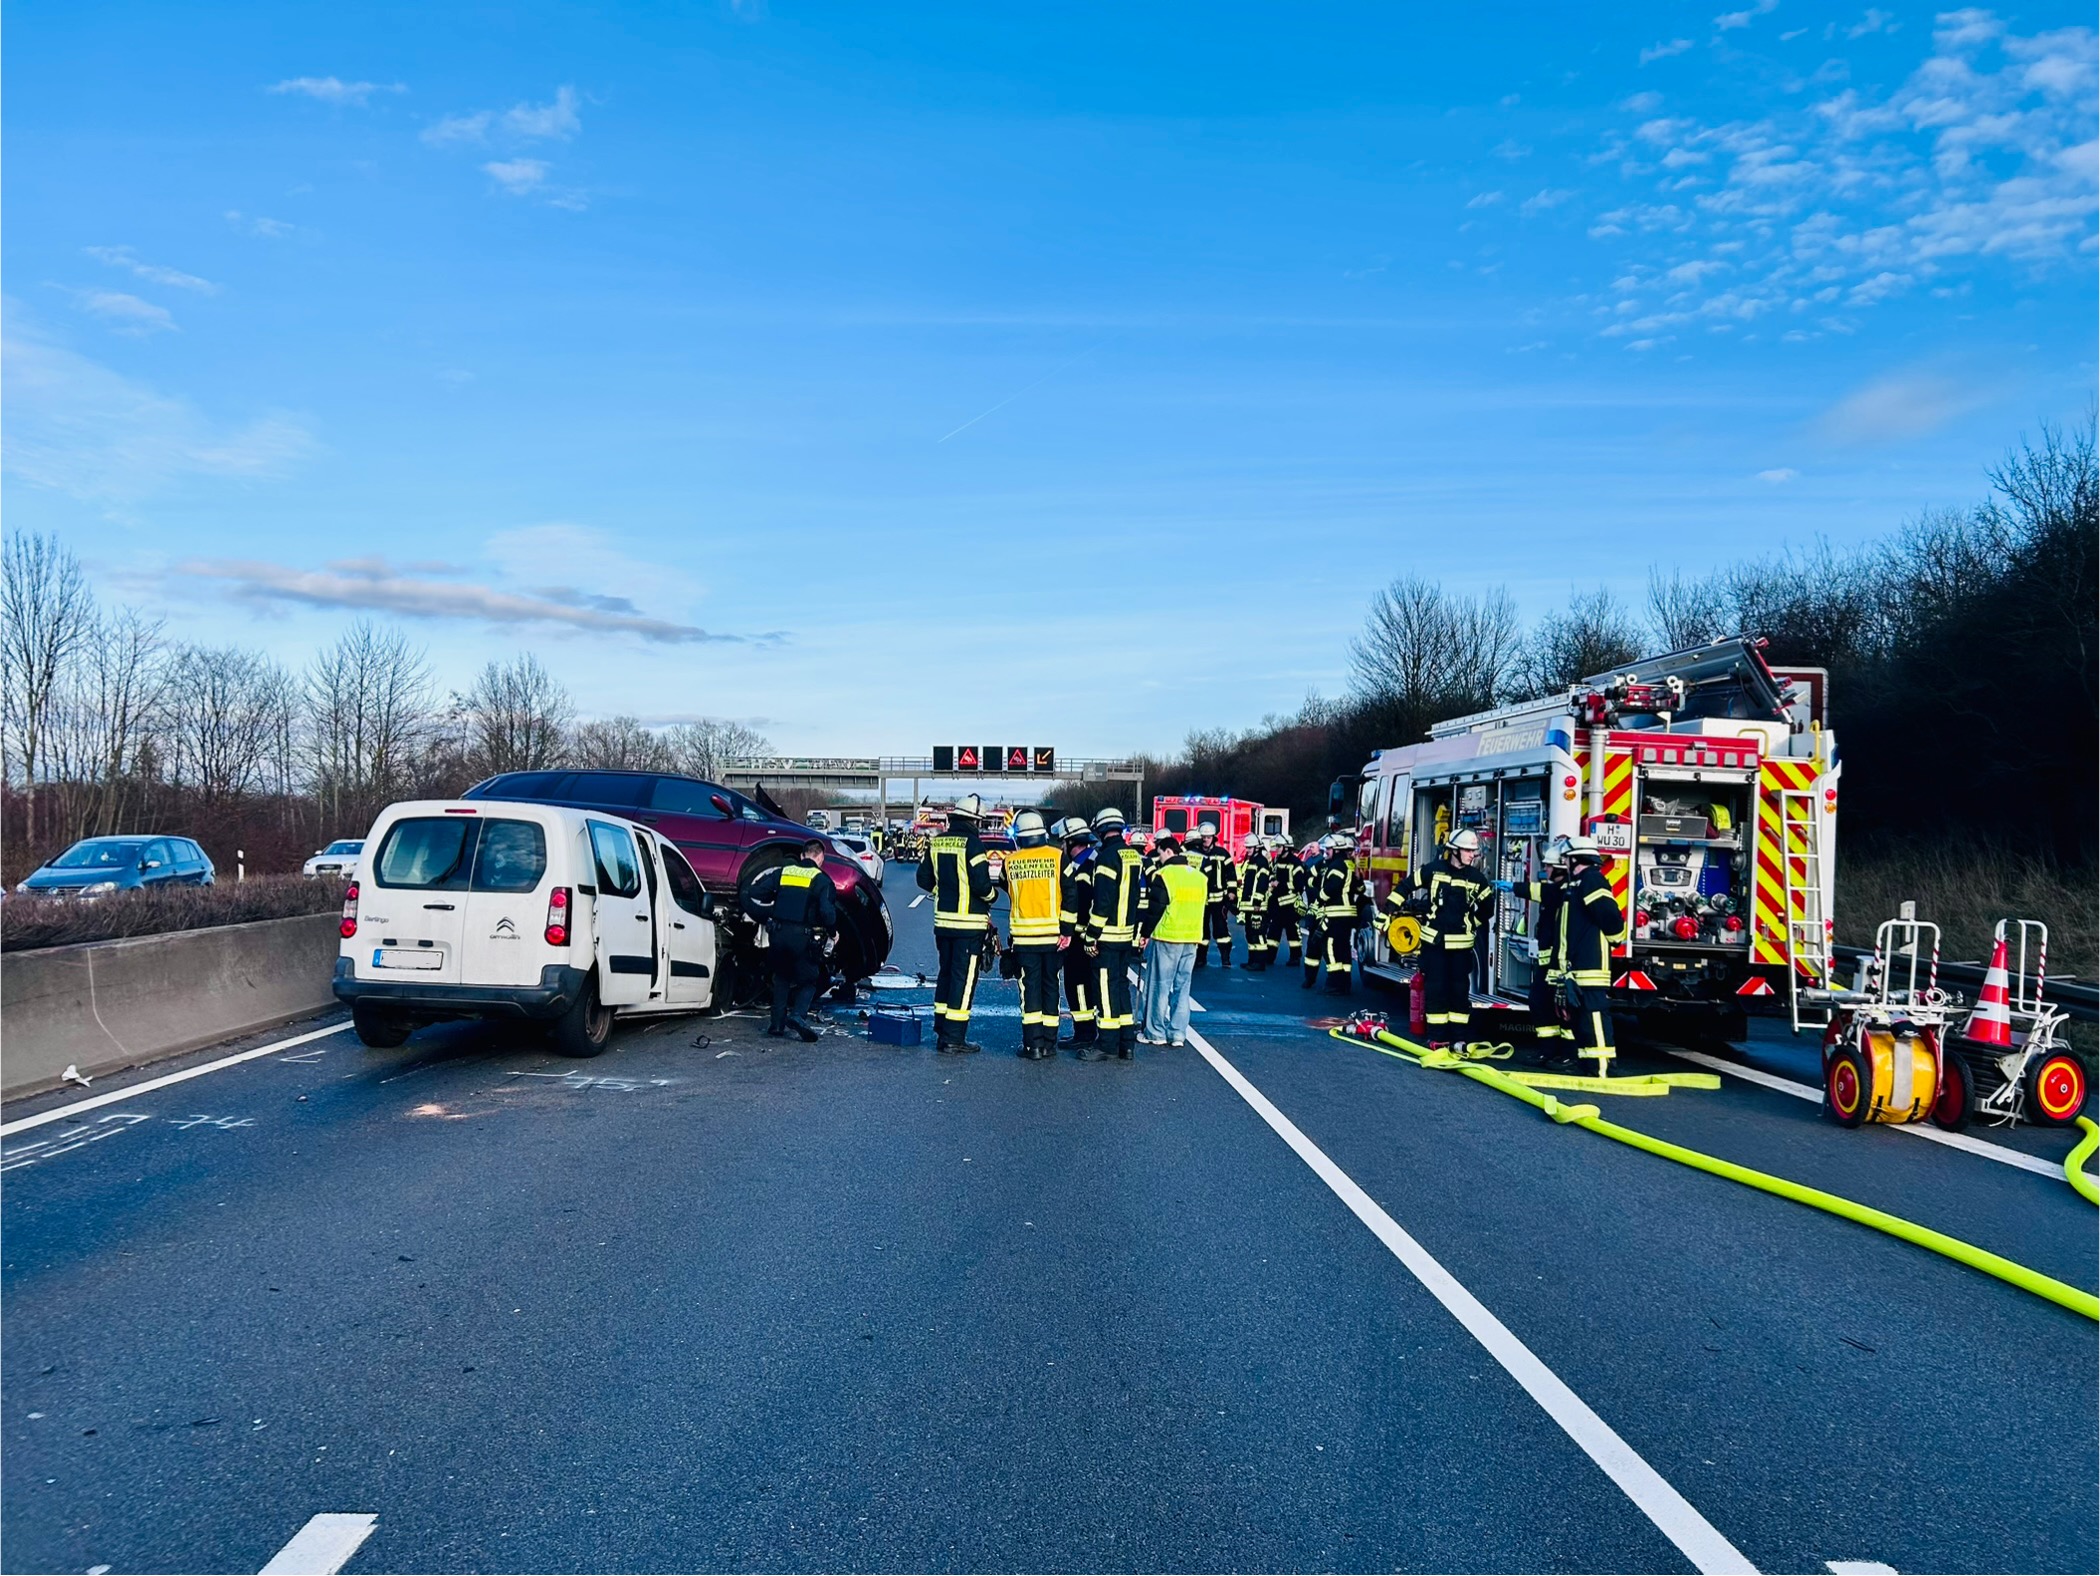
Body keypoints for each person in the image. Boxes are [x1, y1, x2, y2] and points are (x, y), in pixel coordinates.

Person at [915, 792, 996, 1054]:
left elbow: (923, 879)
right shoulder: (974, 845)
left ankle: (942, 1029)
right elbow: (982, 885)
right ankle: (954, 1038)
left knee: (946, 975)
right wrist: (992, 897)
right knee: (963, 980)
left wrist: (943, 890)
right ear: (975, 820)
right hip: (969, 926)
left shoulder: (937, 842)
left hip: (943, 924)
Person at [1401, 827, 1496, 1046]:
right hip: (1434, 946)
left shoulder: (1477, 879)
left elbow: (1488, 909)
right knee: (1436, 990)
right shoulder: (1433, 870)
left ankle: (1459, 1038)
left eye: (1474, 851)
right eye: (1468, 851)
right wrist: (1388, 910)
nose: (1473, 855)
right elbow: (1406, 886)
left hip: (1461, 949)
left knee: (1459, 992)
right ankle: (1437, 1036)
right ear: (1454, 850)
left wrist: (1470, 923)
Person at [741, 837, 837, 1042]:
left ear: (802, 855)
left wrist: (773, 903)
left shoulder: (783, 872)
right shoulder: (822, 880)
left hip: (777, 934)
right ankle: (798, 1016)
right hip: (802, 937)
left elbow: (756, 891)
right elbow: (827, 913)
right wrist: (832, 932)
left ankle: (776, 1025)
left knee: (782, 977)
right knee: (809, 980)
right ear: (821, 858)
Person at [1001, 811, 1067, 1060]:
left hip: (1024, 938)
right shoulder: (1058, 857)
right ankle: (1050, 1043)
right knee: (1051, 987)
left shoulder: (1010, 861)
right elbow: (1070, 894)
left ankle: (1034, 1046)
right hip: (1053, 937)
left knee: (1029, 991)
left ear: (1019, 836)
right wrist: (1067, 931)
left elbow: (1004, 884)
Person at [1500, 837, 1574, 1061]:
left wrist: (1514, 887)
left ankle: (1566, 1055)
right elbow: (1540, 891)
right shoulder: (1559, 889)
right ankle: (1550, 1051)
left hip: (1558, 963)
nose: (1545, 870)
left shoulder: (1565, 891)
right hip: (1548, 962)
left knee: (1559, 1008)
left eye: (1549, 866)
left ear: (1560, 867)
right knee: (1542, 1004)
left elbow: (1541, 891)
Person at [1557, 836, 1626, 1075]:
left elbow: (1610, 916)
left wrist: (1616, 939)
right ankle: (1588, 1064)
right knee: (1582, 1018)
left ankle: (1602, 1067)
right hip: (1579, 964)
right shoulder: (1578, 883)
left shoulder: (1593, 880)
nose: (1564, 863)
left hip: (1592, 963)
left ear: (1576, 859)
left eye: (1567, 858)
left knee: (1594, 1014)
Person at [1081, 806, 1144, 1060]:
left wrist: (1091, 935)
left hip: (1106, 936)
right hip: (1125, 935)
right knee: (1120, 988)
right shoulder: (1133, 856)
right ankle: (1126, 1043)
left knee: (1105, 991)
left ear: (1101, 829)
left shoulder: (1106, 857)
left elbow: (1103, 902)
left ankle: (1106, 1044)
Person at [1138, 836, 1207, 1046]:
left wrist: (1144, 934)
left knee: (1159, 986)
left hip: (1167, 936)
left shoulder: (1164, 875)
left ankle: (1155, 1032)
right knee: (1183, 988)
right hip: (1192, 937)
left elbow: (1155, 909)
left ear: (1168, 851)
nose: (1158, 858)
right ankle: (1178, 1033)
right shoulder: (1199, 877)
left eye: (1159, 853)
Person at [1052, 817, 1100, 1050]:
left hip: (1081, 938)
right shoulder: (1089, 861)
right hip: (1087, 937)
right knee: (1083, 984)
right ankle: (1085, 1030)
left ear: (1072, 842)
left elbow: (1079, 905)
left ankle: (1084, 1033)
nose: (1062, 847)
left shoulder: (1084, 867)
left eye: (1064, 842)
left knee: (1078, 985)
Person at [1309, 833, 1358, 994]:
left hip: (1337, 913)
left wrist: (1319, 898)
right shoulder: (1347, 864)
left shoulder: (1337, 866)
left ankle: (1334, 982)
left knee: (1329, 945)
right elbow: (1359, 887)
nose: (1326, 852)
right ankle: (1344, 982)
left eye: (1328, 849)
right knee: (1343, 947)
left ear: (1336, 850)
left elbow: (1332, 887)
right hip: (1346, 913)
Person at [1191, 823, 1237, 969]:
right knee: (1201, 930)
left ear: (1213, 838)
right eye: (1203, 837)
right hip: (1201, 898)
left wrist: (1232, 892)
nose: (1205, 840)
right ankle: (1200, 958)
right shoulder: (1195, 854)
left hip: (1218, 898)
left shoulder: (1222, 853)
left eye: (1208, 837)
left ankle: (1225, 958)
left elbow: (1231, 874)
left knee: (1221, 929)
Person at [1237, 835, 1275, 970]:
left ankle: (1259, 963)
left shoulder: (1261, 862)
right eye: (1247, 847)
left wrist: (1257, 902)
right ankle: (1252, 961)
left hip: (1257, 906)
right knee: (1250, 934)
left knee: (1258, 935)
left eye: (1250, 847)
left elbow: (1262, 883)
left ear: (1257, 848)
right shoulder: (1252, 861)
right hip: (1250, 905)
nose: (1247, 850)